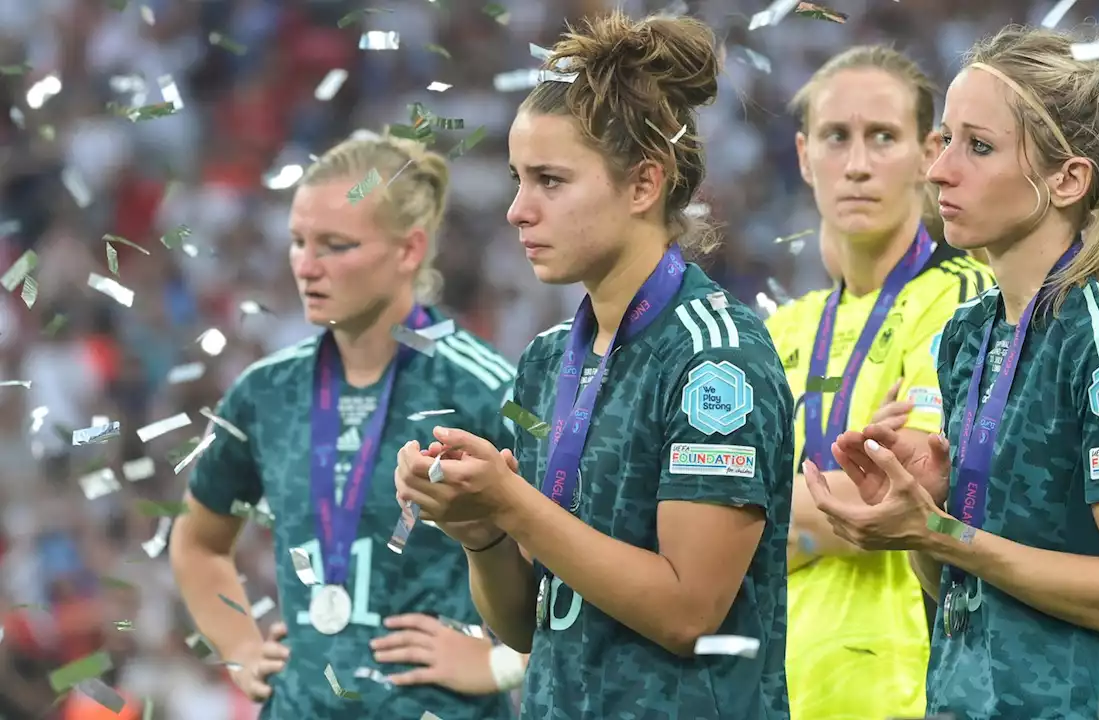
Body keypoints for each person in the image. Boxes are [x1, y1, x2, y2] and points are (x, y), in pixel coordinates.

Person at [393, 11, 793, 719]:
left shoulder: (713, 356)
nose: (517, 209)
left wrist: (513, 503)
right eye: (518, 178)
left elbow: (687, 610)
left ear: (644, 184)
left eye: (550, 180)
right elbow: (526, 625)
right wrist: (479, 528)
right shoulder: (548, 362)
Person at [805, 19, 1099, 719]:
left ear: (1067, 178)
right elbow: (957, 584)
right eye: (948, 139)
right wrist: (922, 510)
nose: (939, 169)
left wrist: (940, 532)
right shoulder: (968, 337)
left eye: (978, 147)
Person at [169, 132, 524, 719]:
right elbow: (198, 541)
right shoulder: (265, 392)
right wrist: (240, 648)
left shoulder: (486, 387)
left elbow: (576, 562)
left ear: (410, 250)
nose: (307, 266)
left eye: (335, 245)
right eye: (298, 242)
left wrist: (503, 662)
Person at [770, 45, 993, 719]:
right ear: (805, 155)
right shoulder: (778, 331)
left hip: (914, 690)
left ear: (930, 154)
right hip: (773, 691)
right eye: (837, 137)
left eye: (883, 137)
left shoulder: (966, 301)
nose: (858, 164)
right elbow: (691, 521)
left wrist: (752, 502)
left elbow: (913, 496)